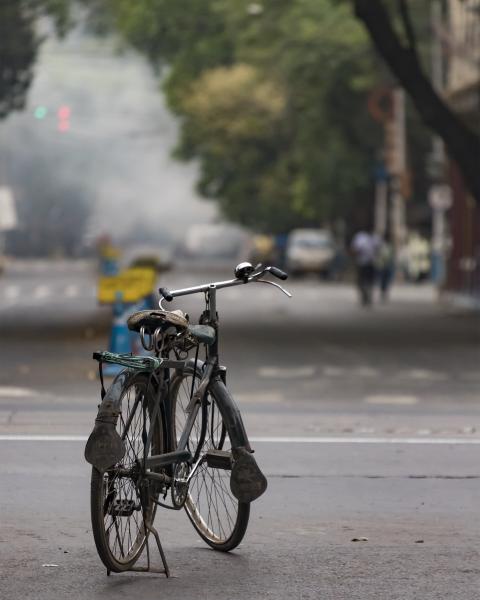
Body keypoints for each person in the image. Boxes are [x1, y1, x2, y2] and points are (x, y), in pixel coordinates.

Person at [351, 229, 380, 306]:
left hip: (371, 263)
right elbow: (355, 249)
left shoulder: (375, 238)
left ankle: (368, 295)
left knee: (369, 280)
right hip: (362, 262)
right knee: (362, 281)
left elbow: (379, 249)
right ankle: (364, 295)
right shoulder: (360, 237)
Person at [376, 233, 395, 302]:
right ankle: (382, 293)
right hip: (382, 266)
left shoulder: (390, 246)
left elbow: (392, 256)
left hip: (388, 266)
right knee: (382, 281)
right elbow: (379, 256)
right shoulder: (381, 246)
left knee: (386, 281)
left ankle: (384, 293)